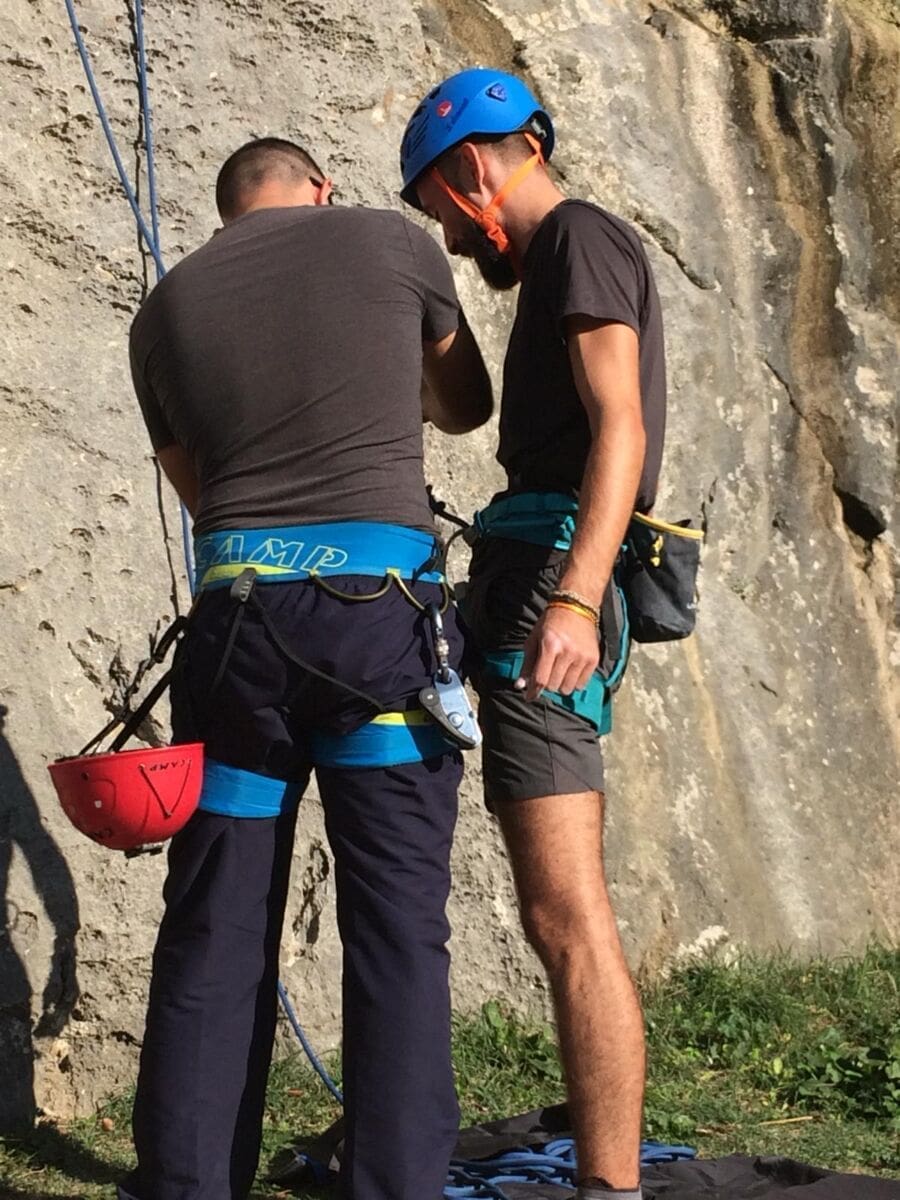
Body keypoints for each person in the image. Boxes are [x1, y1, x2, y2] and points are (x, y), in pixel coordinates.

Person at [120, 137, 492, 1200]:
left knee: (214, 922)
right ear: (320, 189)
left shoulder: (163, 312)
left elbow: (196, 487)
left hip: (239, 634)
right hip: (381, 628)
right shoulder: (394, 242)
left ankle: (187, 1184)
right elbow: (466, 404)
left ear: (228, 211)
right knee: (396, 927)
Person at [399, 70, 668, 1200]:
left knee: (566, 913)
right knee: (555, 910)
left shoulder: (577, 239)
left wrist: (574, 597)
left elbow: (623, 428)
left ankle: (611, 1189)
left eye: (444, 214)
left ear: (472, 169)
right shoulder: (561, 257)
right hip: (527, 574)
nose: (455, 242)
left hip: (550, 583)